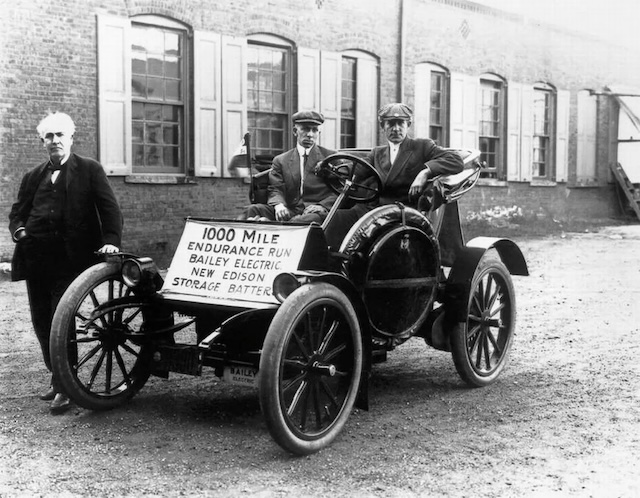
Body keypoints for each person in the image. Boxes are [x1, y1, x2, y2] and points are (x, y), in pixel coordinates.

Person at [8, 112, 123, 414]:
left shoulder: (88, 169)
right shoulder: (33, 176)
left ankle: (65, 386)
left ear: (71, 138)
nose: (55, 141)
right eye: (49, 136)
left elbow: (109, 208)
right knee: (42, 321)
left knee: (62, 323)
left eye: (60, 135)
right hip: (36, 259)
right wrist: (20, 231)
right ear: (43, 141)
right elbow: (17, 212)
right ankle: (57, 377)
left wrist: (111, 239)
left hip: (70, 259)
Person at [325, 102, 464, 249]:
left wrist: (425, 172)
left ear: (408, 125)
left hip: (402, 214)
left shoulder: (422, 147)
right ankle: (332, 264)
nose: (396, 129)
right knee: (337, 218)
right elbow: (357, 170)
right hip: (372, 210)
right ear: (383, 127)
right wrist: (332, 169)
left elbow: (456, 161)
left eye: (400, 123)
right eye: (390, 124)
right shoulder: (376, 153)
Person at [243, 110, 337, 223]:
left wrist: (322, 206)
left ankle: (271, 225)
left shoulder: (330, 157)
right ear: (295, 131)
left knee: (300, 221)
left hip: (316, 213)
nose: (310, 134)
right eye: (305, 129)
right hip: (291, 210)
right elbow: (275, 188)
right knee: (253, 210)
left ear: (318, 133)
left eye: (315, 130)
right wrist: (279, 205)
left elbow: (340, 190)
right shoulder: (281, 160)